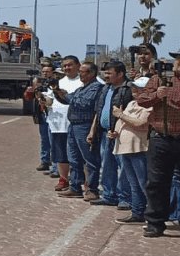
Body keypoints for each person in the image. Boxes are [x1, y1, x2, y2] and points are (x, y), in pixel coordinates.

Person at [136, 49, 180, 238]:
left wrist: (169, 97)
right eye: (177, 59)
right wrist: (156, 95)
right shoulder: (157, 79)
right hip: (161, 137)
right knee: (156, 182)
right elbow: (141, 100)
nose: (176, 63)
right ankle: (155, 223)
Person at [53, 60, 103, 200]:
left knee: (90, 159)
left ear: (92, 73)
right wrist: (58, 92)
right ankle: (75, 186)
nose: (80, 74)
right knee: (73, 158)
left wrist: (68, 96)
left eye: (83, 72)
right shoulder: (82, 88)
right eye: (80, 72)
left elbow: (84, 103)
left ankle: (92, 189)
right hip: (74, 125)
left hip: (85, 125)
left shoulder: (96, 87)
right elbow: (69, 99)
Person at [88, 61, 133, 207]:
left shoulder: (129, 90)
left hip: (122, 135)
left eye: (109, 73)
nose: (105, 76)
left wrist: (119, 130)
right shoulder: (106, 88)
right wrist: (92, 130)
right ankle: (109, 195)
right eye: (105, 73)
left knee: (125, 168)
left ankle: (125, 198)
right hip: (105, 134)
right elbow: (98, 111)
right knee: (107, 166)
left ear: (120, 74)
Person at [111, 76, 152, 224]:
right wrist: (115, 132)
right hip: (125, 147)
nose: (134, 90)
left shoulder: (149, 106)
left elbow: (141, 123)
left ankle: (153, 213)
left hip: (139, 148)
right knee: (133, 183)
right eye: (134, 87)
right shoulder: (132, 103)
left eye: (139, 88)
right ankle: (137, 212)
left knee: (144, 182)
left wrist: (120, 115)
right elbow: (122, 122)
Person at [25, 63, 57, 172]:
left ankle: (55, 164)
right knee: (44, 139)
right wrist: (32, 90)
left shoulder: (56, 84)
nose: (45, 73)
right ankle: (45, 161)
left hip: (53, 115)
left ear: (52, 72)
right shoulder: (38, 82)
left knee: (54, 140)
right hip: (42, 114)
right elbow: (29, 97)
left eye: (47, 71)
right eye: (43, 71)